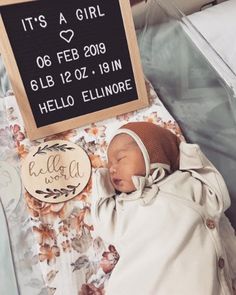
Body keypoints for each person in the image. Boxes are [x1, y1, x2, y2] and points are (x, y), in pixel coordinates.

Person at [91, 121, 236, 295]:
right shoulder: (123, 206)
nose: (112, 168)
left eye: (120, 159)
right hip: (136, 283)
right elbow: (103, 222)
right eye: (109, 165)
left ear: (153, 155)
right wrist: (102, 181)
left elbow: (217, 195)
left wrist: (187, 154)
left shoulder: (184, 183)